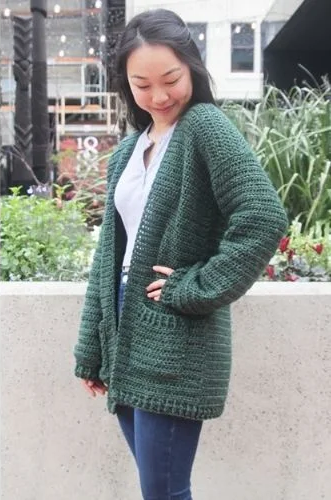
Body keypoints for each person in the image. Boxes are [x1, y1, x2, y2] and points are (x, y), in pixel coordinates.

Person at [72, 9, 287, 500]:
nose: (159, 96)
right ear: (126, 86)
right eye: (141, 85)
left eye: (170, 79)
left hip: (176, 334)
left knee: (165, 492)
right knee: (160, 489)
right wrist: (91, 347)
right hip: (125, 326)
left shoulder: (206, 126)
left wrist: (193, 286)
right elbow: (110, 253)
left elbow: (262, 218)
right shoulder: (129, 149)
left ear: (191, 66)